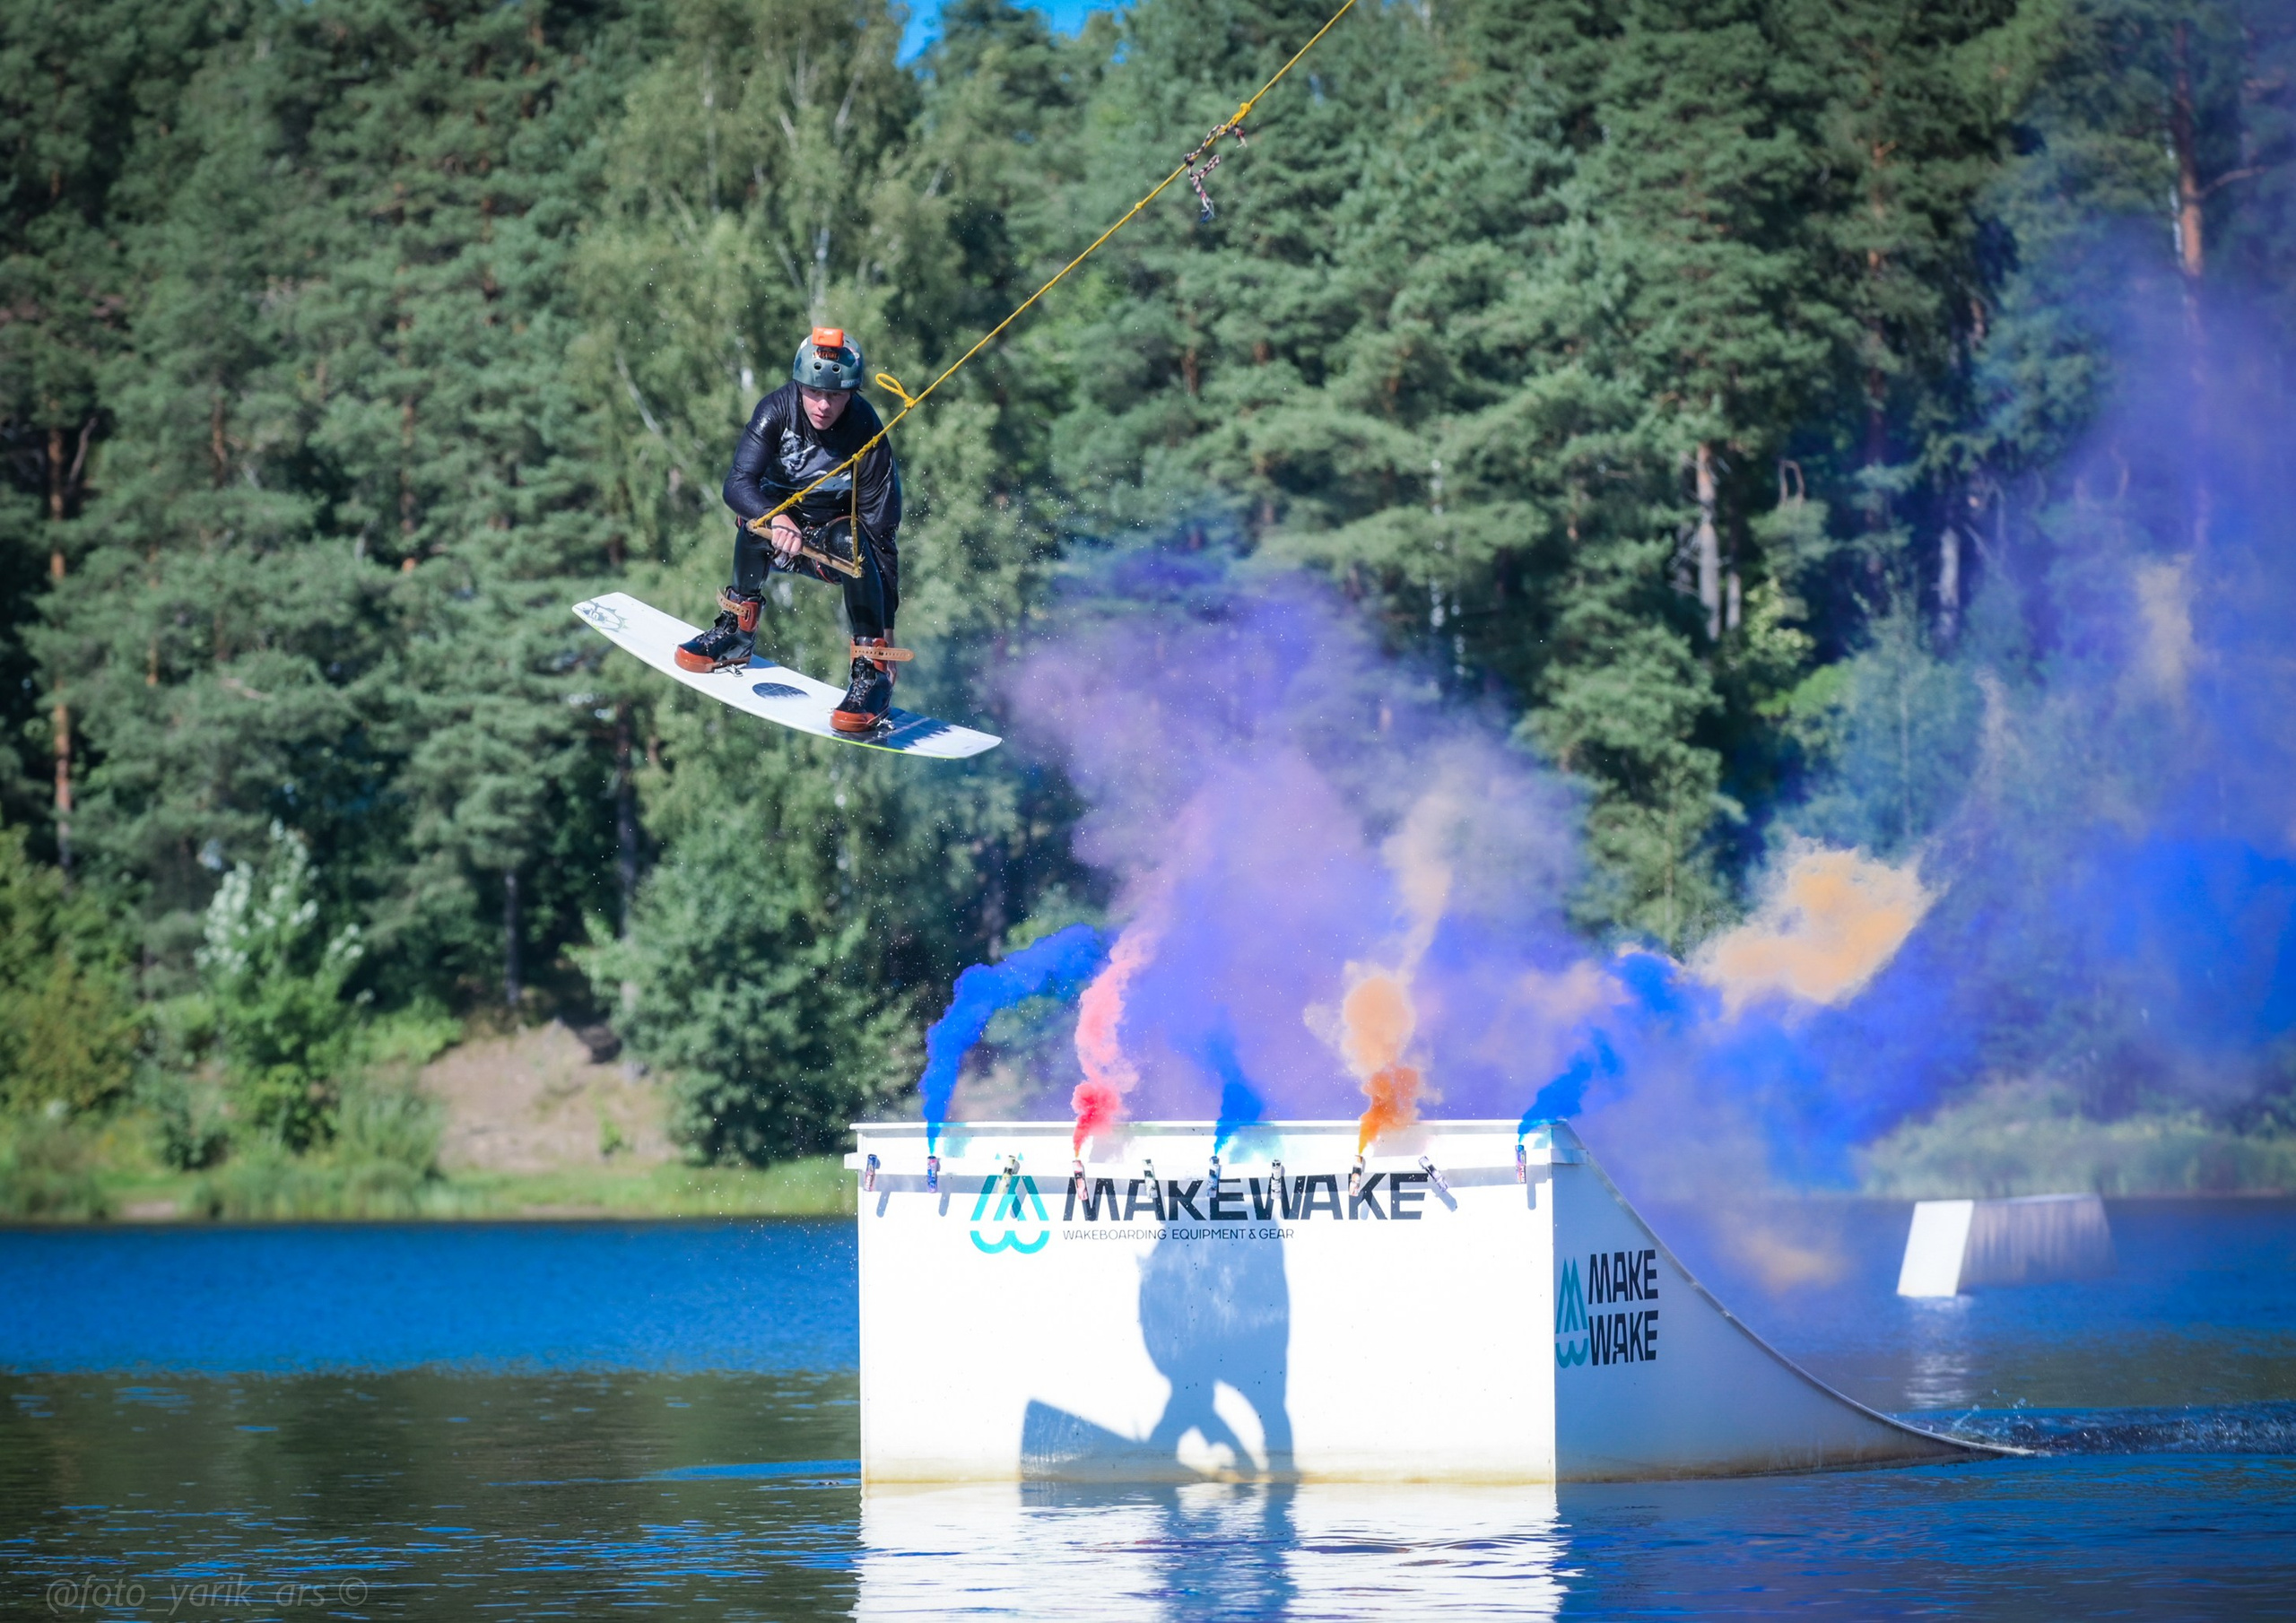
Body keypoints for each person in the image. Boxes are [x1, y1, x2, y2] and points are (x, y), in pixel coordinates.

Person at [676, 325, 905, 733]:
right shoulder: (776, 410)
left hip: (833, 544)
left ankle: (869, 674)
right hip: (779, 533)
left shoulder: (867, 431)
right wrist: (776, 517)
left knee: (857, 541)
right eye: (814, 392)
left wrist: (886, 639)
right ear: (799, 385)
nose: (822, 405)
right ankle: (736, 633)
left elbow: (882, 536)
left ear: (852, 393)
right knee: (753, 522)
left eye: (835, 395)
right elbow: (737, 483)